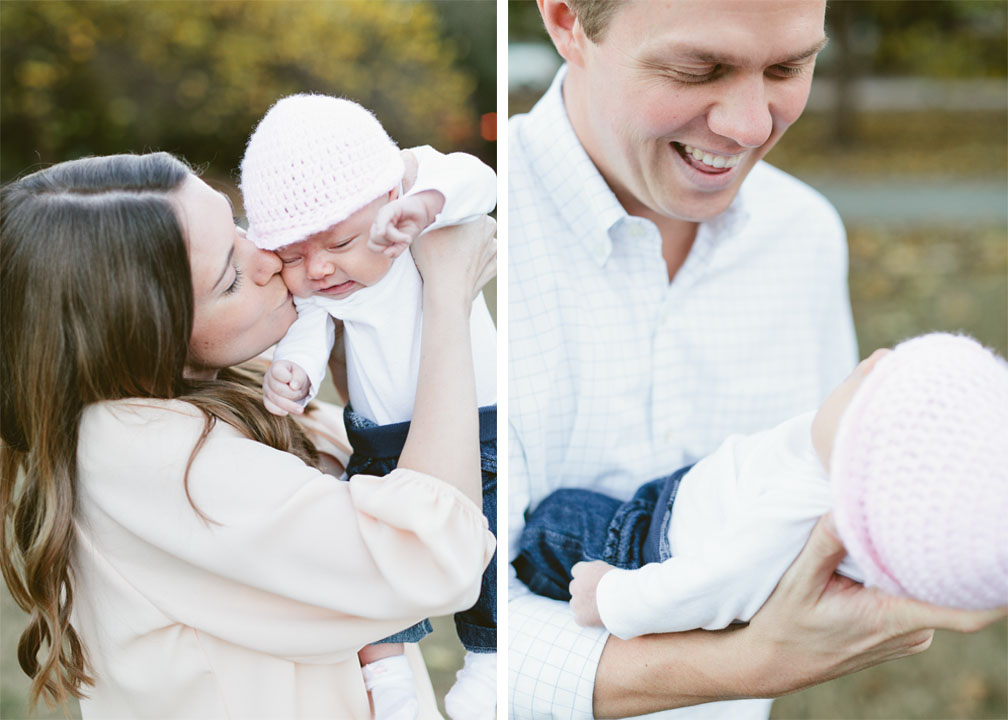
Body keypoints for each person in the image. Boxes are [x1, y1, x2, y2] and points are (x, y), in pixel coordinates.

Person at [507, 1, 1006, 718]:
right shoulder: (467, 239)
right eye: (697, 69)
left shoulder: (804, 236)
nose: (750, 125)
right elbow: (462, 619)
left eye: (787, 67)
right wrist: (745, 665)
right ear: (566, 22)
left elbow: (818, 522)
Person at [0, 151, 496, 719]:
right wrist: (447, 296)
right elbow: (437, 552)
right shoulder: (154, 459)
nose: (266, 258)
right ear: (141, 336)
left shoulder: (224, 389)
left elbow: (387, 476)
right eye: (230, 278)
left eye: (237, 228)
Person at [239, 94, 499, 720]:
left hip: (481, 423)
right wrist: (293, 370)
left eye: (339, 242)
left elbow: (477, 180)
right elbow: (308, 326)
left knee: (490, 542)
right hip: (377, 438)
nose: (321, 269)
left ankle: (488, 666)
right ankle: (390, 685)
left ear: (387, 198)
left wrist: (424, 205)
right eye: (294, 257)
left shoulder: (413, 220)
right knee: (370, 560)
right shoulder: (326, 288)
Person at [516, 333, 1008, 640]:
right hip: (673, 504)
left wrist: (613, 597)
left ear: (857, 468)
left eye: (872, 390)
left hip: (640, 543)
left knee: (550, 525)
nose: (872, 360)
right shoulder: (835, 467)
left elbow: (711, 584)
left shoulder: (802, 509)